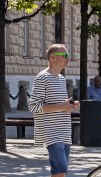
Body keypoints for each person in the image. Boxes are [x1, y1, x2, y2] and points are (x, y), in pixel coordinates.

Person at [28, 44, 79, 177]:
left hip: (65, 131)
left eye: (68, 56)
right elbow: (33, 106)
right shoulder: (42, 77)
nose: (68, 59)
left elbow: (59, 104)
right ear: (52, 58)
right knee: (60, 169)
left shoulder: (61, 79)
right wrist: (63, 106)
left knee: (60, 171)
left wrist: (70, 105)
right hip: (51, 132)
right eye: (65, 56)